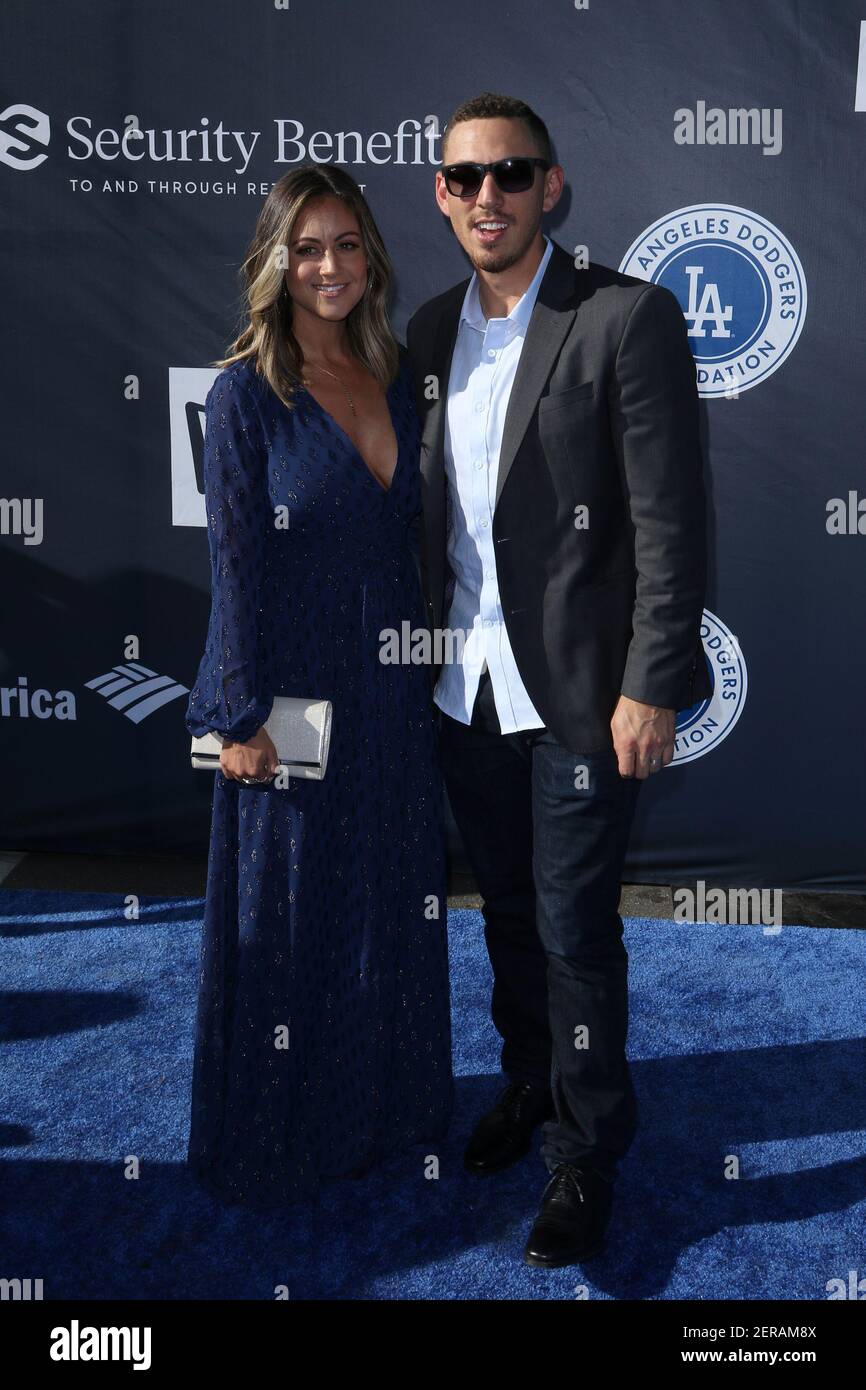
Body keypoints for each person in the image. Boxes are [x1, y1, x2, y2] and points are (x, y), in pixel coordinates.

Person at [406, 92, 711, 1266]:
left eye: (511, 173)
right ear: (439, 193)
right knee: (511, 917)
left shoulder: (622, 318)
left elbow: (669, 525)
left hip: (582, 694)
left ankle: (586, 1154)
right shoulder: (426, 331)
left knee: (579, 927)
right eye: (465, 177)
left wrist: (652, 682)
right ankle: (527, 1083)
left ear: (552, 186)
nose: (487, 195)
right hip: (459, 691)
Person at [185, 165, 453, 1207]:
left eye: (346, 245)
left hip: (390, 692)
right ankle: (279, 1130)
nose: (329, 266)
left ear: (370, 259)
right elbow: (234, 567)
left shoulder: (393, 375)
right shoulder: (245, 394)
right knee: (294, 915)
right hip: (291, 701)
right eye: (306, 248)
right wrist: (238, 714)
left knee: (386, 898)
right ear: (275, 262)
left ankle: (384, 1107)